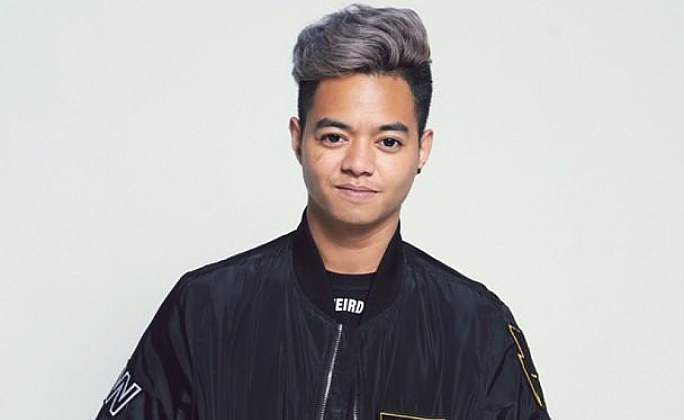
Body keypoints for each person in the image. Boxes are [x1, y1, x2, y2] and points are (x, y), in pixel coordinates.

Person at [95, 4, 551, 420]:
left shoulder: (476, 328)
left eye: (388, 141)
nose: (358, 163)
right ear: (298, 138)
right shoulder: (205, 308)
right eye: (334, 137)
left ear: (422, 149)